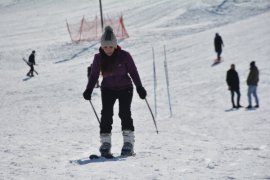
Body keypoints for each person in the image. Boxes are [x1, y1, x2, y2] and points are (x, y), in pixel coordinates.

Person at [83, 26, 147, 157]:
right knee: (106, 114)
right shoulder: (98, 58)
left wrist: (140, 87)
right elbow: (94, 74)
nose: (108, 50)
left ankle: (128, 143)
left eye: (110, 47)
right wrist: (88, 89)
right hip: (108, 88)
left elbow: (133, 72)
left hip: (125, 88)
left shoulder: (124, 56)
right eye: (105, 47)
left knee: (124, 112)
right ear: (102, 47)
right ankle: (105, 143)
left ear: (115, 45)